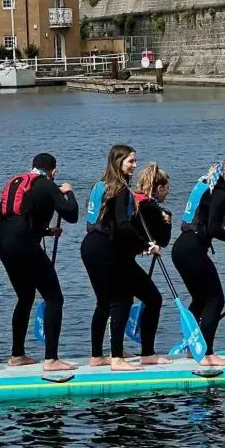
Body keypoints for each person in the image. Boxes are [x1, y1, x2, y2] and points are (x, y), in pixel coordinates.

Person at [81, 144, 166, 370]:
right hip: (107, 250)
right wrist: (146, 245)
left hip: (92, 247)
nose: (135, 165)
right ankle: (118, 358)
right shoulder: (119, 189)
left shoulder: (101, 184)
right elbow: (122, 224)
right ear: (118, 162)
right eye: (130, 161)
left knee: (106, 302)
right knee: (123, 300)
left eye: (135, 161)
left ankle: (97, 356)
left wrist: (137, 246)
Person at [0, 152, 80, 372]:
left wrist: (46, 232)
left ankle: (17, 355)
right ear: (54, 171)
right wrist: (68, 192)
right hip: (25, 246)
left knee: (25, 297)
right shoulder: (46, 184)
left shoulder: (17, 182)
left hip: (4, 244)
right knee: (54, 298)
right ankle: (51, 359)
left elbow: (20, 218)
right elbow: (72, 215)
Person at [171, 154, 225, 368]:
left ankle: (193, 348)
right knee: (215, 300)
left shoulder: (213, 189)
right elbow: (214, 229)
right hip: (192, 250)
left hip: (181, 248)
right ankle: (207, 353)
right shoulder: (219, 194)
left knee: (200, 300)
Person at [134, 162, 173, 249]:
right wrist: (167, 222)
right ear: (160, 188)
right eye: (167, 188)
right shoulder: (151, 208)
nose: (168, 192)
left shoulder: (135, 200)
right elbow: (163, 241)